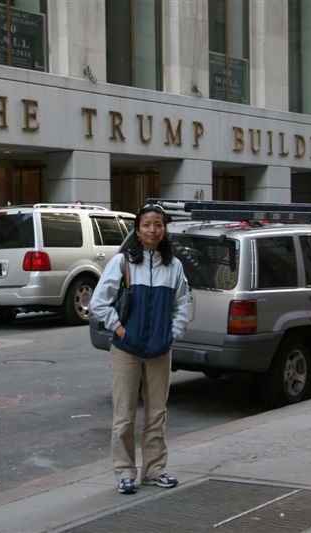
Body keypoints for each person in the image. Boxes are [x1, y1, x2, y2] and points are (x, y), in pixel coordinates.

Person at [89, 204, 191, 495]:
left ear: (164, 229)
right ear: (137, 230)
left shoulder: (174, 266)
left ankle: (155, 470)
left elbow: (183, 304)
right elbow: (98, 303)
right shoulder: (122, 262)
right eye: (147, 224)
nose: (152, 230)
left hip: (160, 351)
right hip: (125, 350)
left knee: (156, 415)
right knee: (124, 415)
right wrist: (120, 329)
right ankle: (124, 472)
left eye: (158, 224)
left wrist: (172, 333)